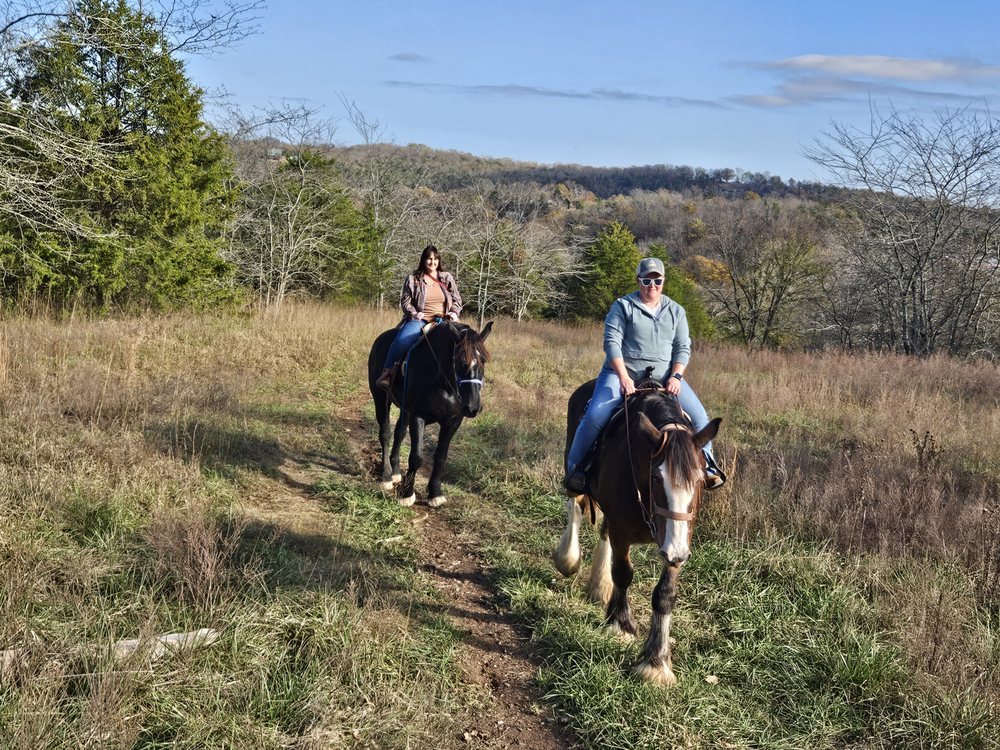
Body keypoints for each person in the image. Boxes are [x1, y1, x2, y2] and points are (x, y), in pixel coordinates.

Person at [563, 257, 725, 494]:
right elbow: (612, 343)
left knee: (701, 418)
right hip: (621, 374)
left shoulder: (676, 311)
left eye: (657, 280)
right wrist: (623, 377)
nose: (652, 285)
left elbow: (682, 348)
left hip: (665, 377)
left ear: (663, 281)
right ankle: (576, 469)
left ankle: (708, 467)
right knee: (595, 415)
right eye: (646, 280)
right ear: (638, 280)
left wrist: (676, 377)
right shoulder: (623, 306)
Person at [376, 245, 463, 390]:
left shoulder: (446, 277)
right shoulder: (413, 279)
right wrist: (415, 313)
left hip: (444, 321)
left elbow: (457, 300)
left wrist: (454, 312)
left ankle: (466, 381)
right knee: (401, 341)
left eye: (435, 259)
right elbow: (405, 302)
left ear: (439, 260)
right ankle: (388, 373)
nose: (432, 262)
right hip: (420, 320)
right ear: (423, 260)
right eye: (429, 259)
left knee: (466, 344)